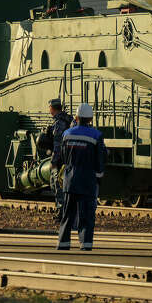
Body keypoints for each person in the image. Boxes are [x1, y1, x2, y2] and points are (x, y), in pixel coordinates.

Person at [57, 102, 106, 252]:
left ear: (77, 117)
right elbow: (100, 160)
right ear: (90, 119)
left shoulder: (67, 134)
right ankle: (85, 244)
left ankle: (63, 243)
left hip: (69, 180)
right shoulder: (96, 135)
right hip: (87, 180)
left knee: (67, 214)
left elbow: (63, 158)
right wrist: (99, 178)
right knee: (86, 214)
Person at [48, 98, 71, 219]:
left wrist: (54, 161)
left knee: (57, 185)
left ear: (52, 108)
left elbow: (57, 144)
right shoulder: (68, 119)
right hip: (69, 158)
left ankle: (61, 212)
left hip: (60, 159)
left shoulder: (58, 122)